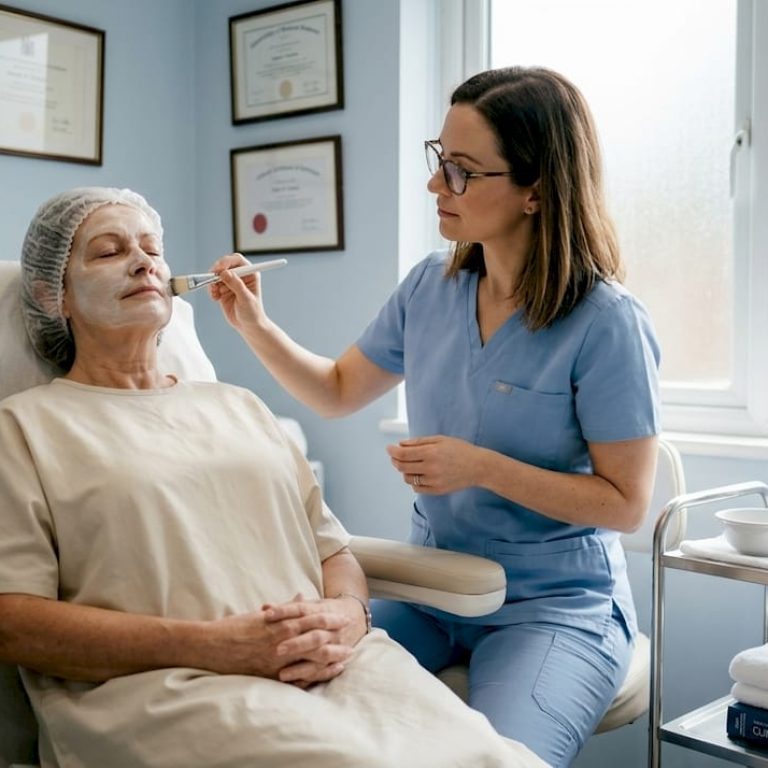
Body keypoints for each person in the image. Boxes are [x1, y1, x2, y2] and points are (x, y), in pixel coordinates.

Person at [208, 66, 661, 767]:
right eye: (438, 160)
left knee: (497, 759)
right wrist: (254, 326)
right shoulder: (432, 286)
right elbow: (337, 390)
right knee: (288, 712)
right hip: (431, 587)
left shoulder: (605, 323)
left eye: (461, 172)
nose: (434, 186)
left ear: (536, 190)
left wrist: (479, 467)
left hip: (553, 605)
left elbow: (627, 504)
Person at [0, 187, 547, 768]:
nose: (143, 262)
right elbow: (14, 622)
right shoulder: (25, 429)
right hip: (166, 690)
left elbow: (333, 550)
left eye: (153, 249)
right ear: (50, 294)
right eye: (109, 252)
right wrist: (216, 648)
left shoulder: (240, 406)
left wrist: (348, 615)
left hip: (336, 665)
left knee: (495, 757)